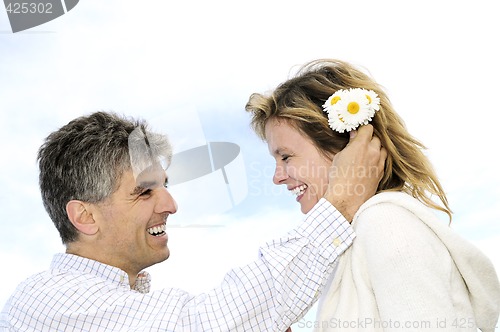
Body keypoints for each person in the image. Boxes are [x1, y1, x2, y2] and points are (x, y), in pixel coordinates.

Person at [0, 111, 385, 331]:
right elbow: (201, 323)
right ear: (85, 216)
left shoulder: (118, 303)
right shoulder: (55, 301)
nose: (170, 204)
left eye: (164, 186)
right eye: (144, 191)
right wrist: (341, 204)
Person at [245, 59, 500, 331]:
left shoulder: (386, 224)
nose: (277, 177)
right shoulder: (352, 243)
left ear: (345, 148)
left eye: (286, 157)